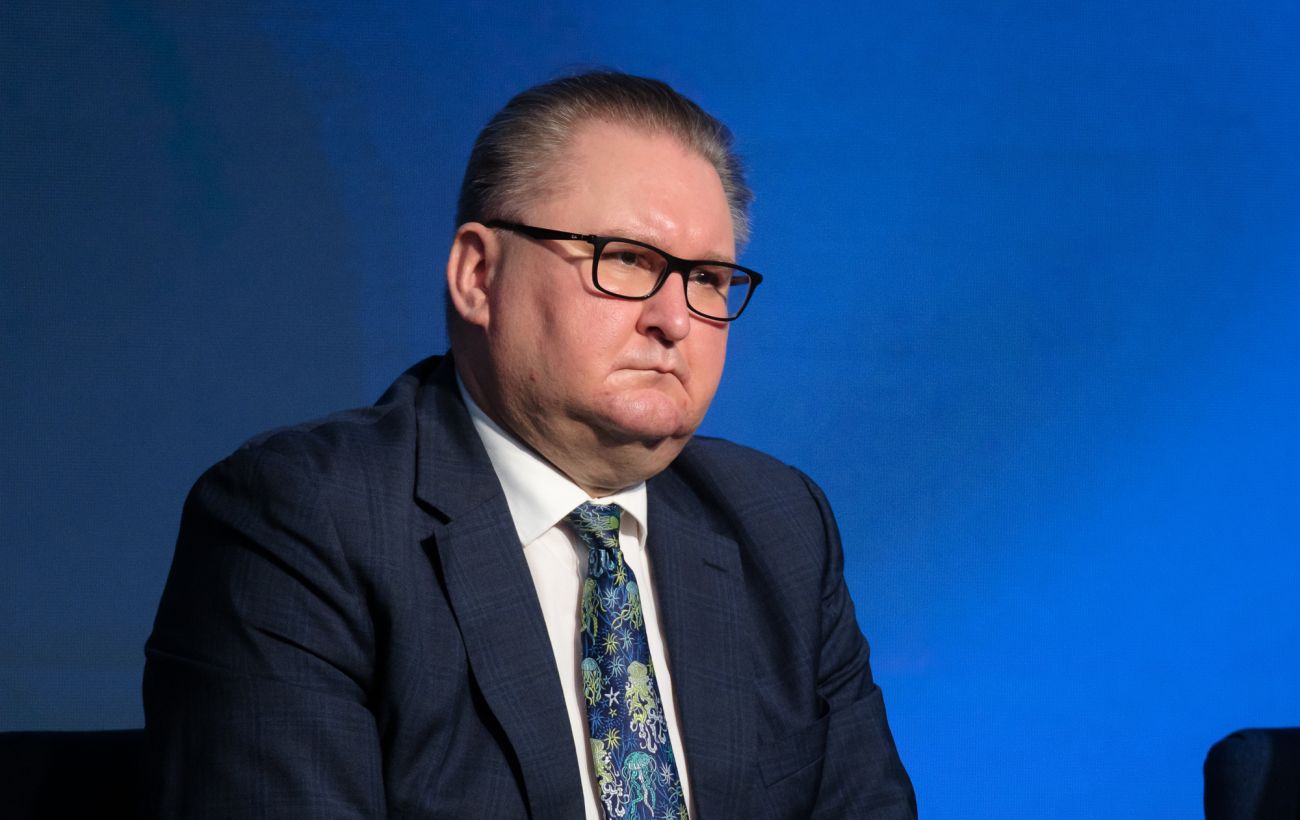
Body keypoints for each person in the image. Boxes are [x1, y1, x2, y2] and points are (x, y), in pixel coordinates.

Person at [144, 71, 915, 819]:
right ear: (478, 276)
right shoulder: (306, 518)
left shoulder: (780, 524)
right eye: (627, 259)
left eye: (708, 278)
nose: (675, 320)